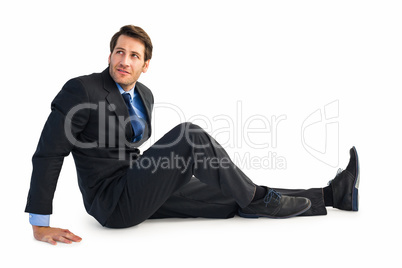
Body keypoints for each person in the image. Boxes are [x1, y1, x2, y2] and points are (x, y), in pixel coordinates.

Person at [25, 25, 360, 245]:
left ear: (146, 64)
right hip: (112, 201)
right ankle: (260, 198)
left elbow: (132, 150)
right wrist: (40, 224)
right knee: (189, 135)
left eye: (134, 56)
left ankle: (332, 196)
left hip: (139, 185)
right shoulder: (81, 90)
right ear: (110, 55)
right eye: (119, 52)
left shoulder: (146, 95)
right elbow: (49, 153)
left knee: (231, 194)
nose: (124, 61)